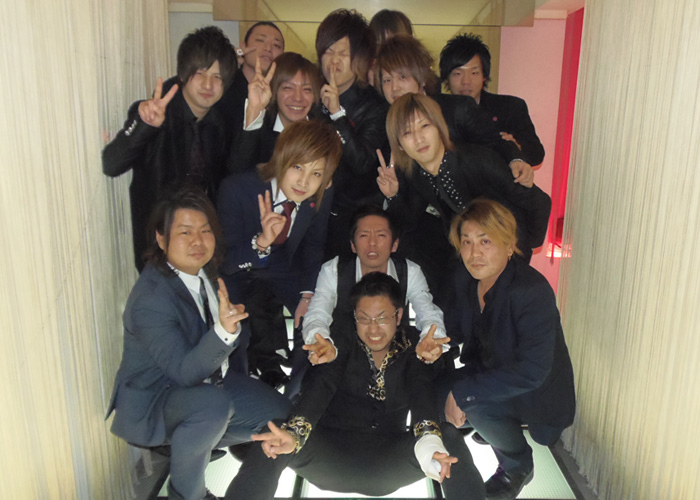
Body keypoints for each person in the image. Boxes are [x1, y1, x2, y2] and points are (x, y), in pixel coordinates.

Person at [225, 273, 486, 500]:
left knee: (446, 437)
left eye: (382, 318)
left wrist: (429, 443)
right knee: (275, 434)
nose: (373, 329)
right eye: (364, 318)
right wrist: (294, 433)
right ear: (354, 317)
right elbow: (322, 384)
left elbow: (421, 390)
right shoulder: (339, 341)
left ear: (398, 315)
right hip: (328, 455)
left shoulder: (413, 344)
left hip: (388, 460)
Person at [105, 187, 291, 500]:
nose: (197, 241)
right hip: (159, 399)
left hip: (210, 383)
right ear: (161, 239)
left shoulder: (203, 268)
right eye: (185, 232)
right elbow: (184, 373)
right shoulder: (151, 299)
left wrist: (263, 241)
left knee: (283, 419)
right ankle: (188, 493)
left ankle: (203, 448)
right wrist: (224, 331)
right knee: (212, 407)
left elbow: (237, 264)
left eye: (205, 231)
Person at [442, 199, 575, 500]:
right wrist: (434, 343)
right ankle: (483, 431)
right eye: (467, 242)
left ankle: (517, 466)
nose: (474, 253)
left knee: (471, 398)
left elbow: (533, 371)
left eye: (485, 241)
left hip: (534, 393)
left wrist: (464, 393)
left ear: (509, 245)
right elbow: (454, 329)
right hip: (491, 372)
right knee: (436, 392)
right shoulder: (465, 278)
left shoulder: (531, 291)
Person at [378, 94, 550, 306]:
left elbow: (540, 202)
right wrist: (393, 194)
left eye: (425, 126)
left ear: (440, 127)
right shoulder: (416, 174)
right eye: (407, 133)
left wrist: (524, 250)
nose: (419, 138)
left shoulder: (478, 160)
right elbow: (409, 220)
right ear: (399, 145)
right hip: (468, 254)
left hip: (507, 252)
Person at [217, 120, 341, 392]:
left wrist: (308, 296)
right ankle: (238, 395)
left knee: (315, 318)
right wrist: (262, 242)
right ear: (282, 157)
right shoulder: (237, 188)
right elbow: (225, 261)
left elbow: (314, 245)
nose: (304, 182)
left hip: (282, 267)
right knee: (237, 331)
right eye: (297, 167)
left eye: (316, 173)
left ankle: (297, 395)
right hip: (236, 269)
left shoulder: (320, 192)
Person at [102, 26, 237, 272]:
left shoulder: (219, 124)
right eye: (200, 72)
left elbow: (227, 182)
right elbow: (111, 164)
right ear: (184, 73)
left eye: (217, 77)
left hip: (201, 250)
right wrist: (145, 126)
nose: (208, 84)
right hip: (157, 250)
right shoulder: (156, 113)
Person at [374, 34, 533, 186]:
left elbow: (495, 144)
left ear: (421, 77)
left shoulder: (458, 109)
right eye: (387, 80)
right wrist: (393, 194)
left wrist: (516, 160)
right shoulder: (386, 123)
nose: (394, 88)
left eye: (402, 77)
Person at [302, 204, 448, 365]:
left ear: (395, 244)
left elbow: (428, 312)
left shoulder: (410, 271)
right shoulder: (333, 270)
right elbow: (318, 313)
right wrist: (319, 340)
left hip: (393, 352)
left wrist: (432, 338)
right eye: (364, 235)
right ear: (353, 245)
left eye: (381, 235)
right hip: (342, 350)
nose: (372, 243)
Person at [315, 8, 390, 257]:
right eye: (328, 51)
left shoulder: (375, 105)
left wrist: (337, 114)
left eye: (343, 53)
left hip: (354, 222)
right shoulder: (311, 95)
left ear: (360, 59)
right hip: (314, 215)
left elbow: (363, 163)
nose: (334, 60)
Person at [440, 33, 545, 167]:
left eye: (474, 73)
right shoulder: (435, 111)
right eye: (457, 73)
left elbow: (536, 153)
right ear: (446, 77)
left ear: (484, 76)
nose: (466, 81)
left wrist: (515, 147)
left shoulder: (510, 107)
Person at [228, 52, 321, 171]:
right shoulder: (259, 130)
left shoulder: (323, 132)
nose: (298, 98)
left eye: (307, 89)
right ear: (274, 90)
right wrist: (254, 109)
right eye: (288, 87)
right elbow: (237, 172)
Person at [215, 21, 285, 140]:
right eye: (260, 40)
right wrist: (227, 61)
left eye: (276, 45)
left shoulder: (283, 96)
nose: (268, 48)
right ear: (243, 46)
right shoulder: (223, 87)